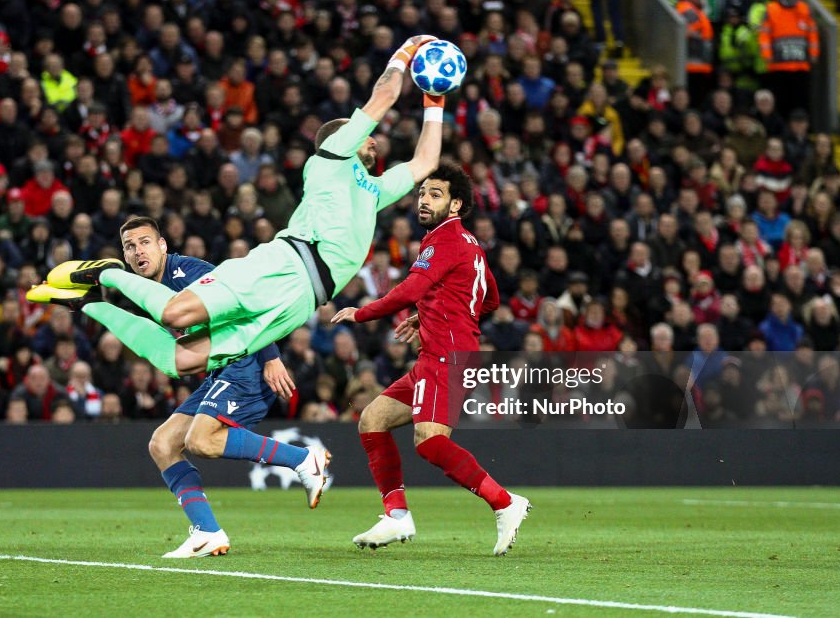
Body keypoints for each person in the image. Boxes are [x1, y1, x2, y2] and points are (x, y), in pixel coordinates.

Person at [35, 35, 444, 378]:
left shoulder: (372, 191)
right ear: (344, 138)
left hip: (303, 301)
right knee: (177, 315)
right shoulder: (329, 157)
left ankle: (89, 303)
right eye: (365, 134)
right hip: (285, 265)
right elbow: (387, 92)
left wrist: (434, 101)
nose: (374, 139)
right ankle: (108, 271)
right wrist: (408, 49)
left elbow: (425, 162)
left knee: (181, 360)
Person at [40, 216, 330, 559]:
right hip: (218, 371)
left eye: (145, 242)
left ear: (163, 245)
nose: (137, 251)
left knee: (200, 440)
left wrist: (270, 356)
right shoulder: (145, 289)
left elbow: (244, 305)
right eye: (130, 246)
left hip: (245, 363)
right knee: (162, 444)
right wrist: (87, 305)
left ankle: (303, 459)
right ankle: (207, 531)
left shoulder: (189, 272)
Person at [330, 164, 531, 556]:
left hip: (447, 357)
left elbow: (410, 288)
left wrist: (363, 312)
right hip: (438, 354)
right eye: (422, 192)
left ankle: (505, 503)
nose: (423, 199)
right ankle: (397, 515)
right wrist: (432, 311)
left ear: (456, 204)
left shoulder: (442, 241)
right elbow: (487, 298)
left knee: (429, 442)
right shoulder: (469, 243)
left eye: (435, 194)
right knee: (373, 419)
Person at [758, 0, 819, 117]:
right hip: (779, 65)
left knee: (802, 102)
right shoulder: (771, 9)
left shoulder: (804, 8)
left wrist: (814, 53)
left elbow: (813, 33)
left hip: (800, 65)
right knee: (781, 102)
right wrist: (767, 55)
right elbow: (764, 34)